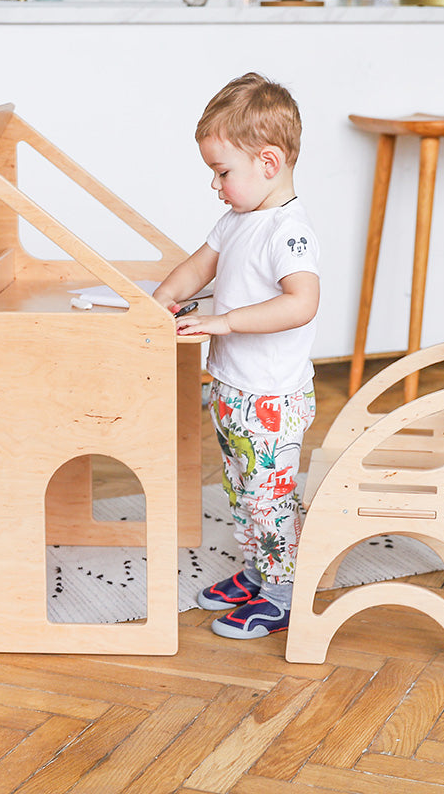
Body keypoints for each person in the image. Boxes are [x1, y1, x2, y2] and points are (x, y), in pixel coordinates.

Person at [154, 72, 320, 639]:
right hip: (232, 390)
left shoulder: (289, 232)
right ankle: (257, 571)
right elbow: (201, 264)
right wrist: (166, 298)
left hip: (270, 399)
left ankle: (282, 594)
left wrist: (221, 321)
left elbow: (301, 303)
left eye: (223, 172)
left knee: (270, 500)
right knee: (242, 490)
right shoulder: (236, 221)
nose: (216, 185)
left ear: (269, 163)